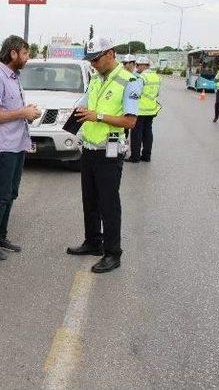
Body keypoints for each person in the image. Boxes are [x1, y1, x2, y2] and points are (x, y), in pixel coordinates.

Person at [67, 37, 140, 273]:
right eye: (90, 60)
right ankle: (92, 242)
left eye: (95, 59)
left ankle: (113, 253)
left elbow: (130, 121)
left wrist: (96, 116)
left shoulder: (130, 81)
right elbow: (85, 106)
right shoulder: (96, 78)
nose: (93, 64)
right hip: (89, 149)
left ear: (110, 53)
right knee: (89, 201)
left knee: (109, 204)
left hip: (110, 152)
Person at [0, 35, 42, 260]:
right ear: (13, 53)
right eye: (25, 53)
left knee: (11, 193)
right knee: (1, 194)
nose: (28, 58)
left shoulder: (13, 77)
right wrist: (22, 113)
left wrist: (28, 114)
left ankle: (0, 236)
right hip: (3, 147)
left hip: (17, 145)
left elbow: (11, 110)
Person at [127, 56, 160, 163]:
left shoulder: (142, 78)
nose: (137, 68)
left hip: (140, 110)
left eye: (138, 65)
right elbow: (158, 93)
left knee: (136, 133)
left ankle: (135, 157)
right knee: (148, 132)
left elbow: (135, 94)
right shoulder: (157, 77)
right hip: (151, 109)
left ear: (144, 65)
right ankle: (146, 156)